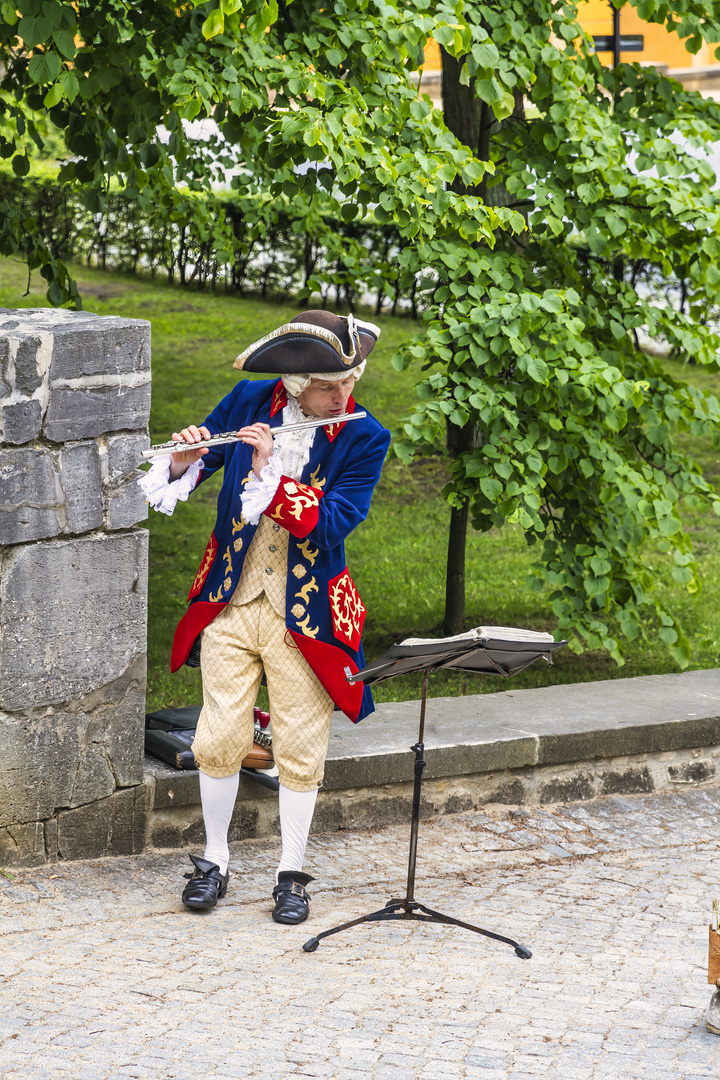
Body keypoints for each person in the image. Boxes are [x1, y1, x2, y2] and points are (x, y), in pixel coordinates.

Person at [140, 310, 390, 924]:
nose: (343, 396)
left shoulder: (365, 436)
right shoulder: (253, 399)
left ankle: (291, 874)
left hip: (306, 615)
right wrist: (184, 459)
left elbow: (332, 523)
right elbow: (197, 472)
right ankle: (214, 861)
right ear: (299, 382)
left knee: (300, 747)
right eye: (330, 386)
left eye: (349, 381)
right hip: (230, 600)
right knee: (218, 738)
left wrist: (268, 476)